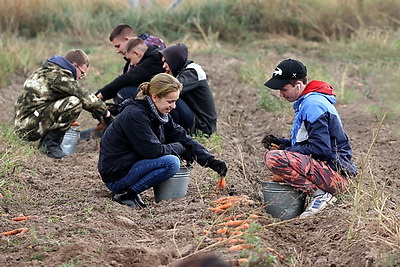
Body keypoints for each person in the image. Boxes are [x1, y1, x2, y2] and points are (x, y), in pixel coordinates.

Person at [98, 73, 227, 208]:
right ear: (155, 97)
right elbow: (153, 151)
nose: (174, 106)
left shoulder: (158, 114)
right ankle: (127, 194)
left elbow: (182, 136)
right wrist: (180, 149)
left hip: (129, 165)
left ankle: (130, 192)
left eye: (175, 101)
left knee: (174, 153)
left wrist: (211, 161)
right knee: (171, 163)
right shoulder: (135, 115)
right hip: (117, 175)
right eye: (170, 101)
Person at [262, 59, 358, 217]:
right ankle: (320, 193)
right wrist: (283, 144)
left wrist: (286, 150)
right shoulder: (308, 102)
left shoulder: (313, 104)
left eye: (284, 89)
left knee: (274, 159)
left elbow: (321, 149)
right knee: (278, 154)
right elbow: (309, 143)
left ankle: (321, 195)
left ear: (298, 84)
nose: (281, 94)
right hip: (330, 172)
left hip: (337, 176)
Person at [14, 49, 111, 159]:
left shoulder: (50, 70)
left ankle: (49, 143)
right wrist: (106, 114)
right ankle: (50, 146)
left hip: (28, 120)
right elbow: (85, 97)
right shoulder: (58, 76)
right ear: (74, 65)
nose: (81, 77)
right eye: (82, 73)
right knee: (74, 103)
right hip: (28, 127)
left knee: (69, 100)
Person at [96, 23, 166, 104]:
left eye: (118, 46)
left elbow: (128, 78)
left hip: (160, 97)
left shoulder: (153, 56)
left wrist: (101, 95)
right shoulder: (144, 51)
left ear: (127, 39)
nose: (117, 51)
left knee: (122, 92)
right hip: (152, 93)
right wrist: (100, 93)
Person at [159, 43, 217, 136]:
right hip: (195, 118)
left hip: (203, 127)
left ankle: (170, 133)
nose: (164, 66)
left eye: (166, 62)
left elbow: (169, 89)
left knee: (169, 98)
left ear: (174, 61)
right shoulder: (181, 71)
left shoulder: (192, 72)